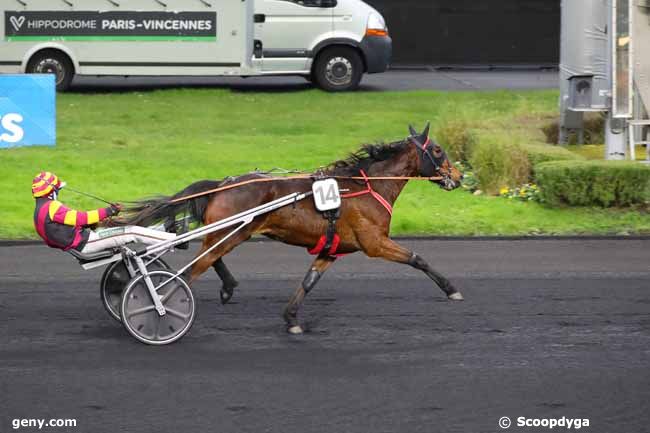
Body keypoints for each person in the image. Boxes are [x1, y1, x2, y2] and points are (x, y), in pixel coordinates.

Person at [32, 171, 175, 255]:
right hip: (86, 242)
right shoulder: (52, 207)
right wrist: (109, 211)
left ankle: (162, 231)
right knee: (132, 232)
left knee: (125, 228)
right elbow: (81, 218)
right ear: (52, 191)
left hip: (81, 241)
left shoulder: (39, 211)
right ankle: (173, 241)